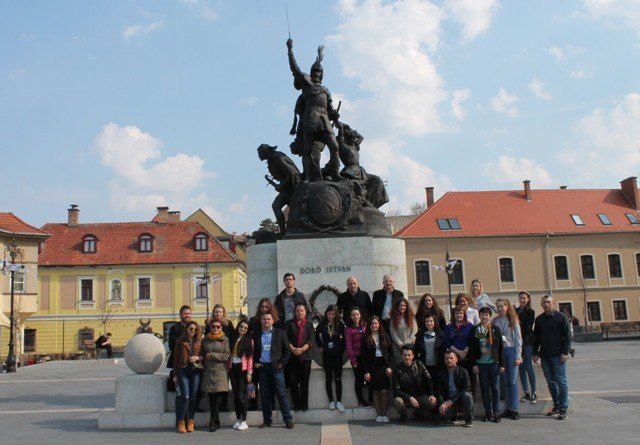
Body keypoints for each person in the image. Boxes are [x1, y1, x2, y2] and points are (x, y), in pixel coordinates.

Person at [286, 38, 341, 182]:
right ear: (311, 72)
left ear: (322, 74)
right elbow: (295, 69)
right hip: (310, 117)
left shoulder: (326, 90)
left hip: (324, 119)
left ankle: (336, 173)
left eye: (319, 71)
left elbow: (330, 109)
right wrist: (290, 50)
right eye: (315, 71)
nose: (317, 73)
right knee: (307, 149)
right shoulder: (306, 83)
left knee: (334, 146)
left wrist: (335, 115)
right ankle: (308, 176)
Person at [252, 312, 294, 429]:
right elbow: (253, 351)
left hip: (276, 368)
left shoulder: (280, 333)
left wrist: (281, 364)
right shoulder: (256, 334)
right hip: (262, 368)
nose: (266, 321)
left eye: (268, 319)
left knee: (281, 394)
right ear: (261, 321)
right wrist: (255, 363)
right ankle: (267, 420)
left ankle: (288, 420)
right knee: (265, 395)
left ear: (272, 321)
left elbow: (287, 351)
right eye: (264, 319)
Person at [533, 295, 572, 420]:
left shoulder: (561, 317)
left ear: (553, 304)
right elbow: (536, 338)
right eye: (544, 302)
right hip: (545, 355)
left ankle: (564, 408)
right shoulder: (539, 320)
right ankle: (557, 405)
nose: (546, 304)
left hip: (558, 355)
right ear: (541, 305)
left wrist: (565, 352)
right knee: (550, 382)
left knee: (561, 381)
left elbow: (567, 336)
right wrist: (535, 353)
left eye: (548, 302)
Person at [469, 306, 505, 423]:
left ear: (490, 316)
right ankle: (487, 411)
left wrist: (502, 364)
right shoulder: (475, 329)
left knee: (495, 388)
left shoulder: (495, 329)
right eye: (482, 314)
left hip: (493, 363)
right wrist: (474, 364)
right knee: (484, 388)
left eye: (487, 315)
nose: (485, 317)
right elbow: (472, 349)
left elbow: (500, 348)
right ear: (479, 316)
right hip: (481, 363)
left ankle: (496, 412)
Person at [257, 144, 302, 234]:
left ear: (265, 152)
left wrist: (282, 185)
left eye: (259, 153)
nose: (259, 156)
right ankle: (283, 231)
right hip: (287, 188)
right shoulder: (272, 159)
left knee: (276, 206)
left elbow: (292, 173)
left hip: (293, 188)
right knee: (280, 207)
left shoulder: (278, 158)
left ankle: (283, 231)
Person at [494, 298, 523, 419]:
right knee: (504, 381)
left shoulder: (512, 320)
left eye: (502, 306)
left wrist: (518, 355)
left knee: (512, 381)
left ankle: (514, 408)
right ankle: (508, 407)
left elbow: (518, 339)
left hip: (511, 351)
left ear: (507, 307)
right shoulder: (495, 321)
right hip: (501, 352)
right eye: (498, 306)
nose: (500, 309)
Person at [393, 345, 437, 423]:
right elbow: (396, 390)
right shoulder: (397, 369)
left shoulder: (419, 364)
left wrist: (432, 394)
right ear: (402, 356)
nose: (407, 357)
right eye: (405, 355)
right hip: (405, 398)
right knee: (397, 401)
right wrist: (410, 397)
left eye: (409, 355)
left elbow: (429, 379)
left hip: (420, 396)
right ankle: (403, 415)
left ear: (413, 356)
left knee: (433, 402)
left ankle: (418, 412)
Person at [361, 316, 393, 423]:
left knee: (384, 391)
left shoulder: (385, 336)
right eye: (372, 324)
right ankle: (379, 414)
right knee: (375, 391)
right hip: (372, 367)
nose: (374, 326)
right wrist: (366, 371)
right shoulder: (366, 338)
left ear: (379, 324)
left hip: (383, 366)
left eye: (376, 323)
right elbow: (363, 357)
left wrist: (389, 367)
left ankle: (385, 414)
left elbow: (391, 353)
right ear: (369, 326)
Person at [173, 321, 203, 434]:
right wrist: (175, 375)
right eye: (191, 329)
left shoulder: (199, 341)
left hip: (195, 371)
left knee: (193, 397)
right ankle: (181, 422)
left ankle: (190, 422)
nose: (193, 331)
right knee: (185, 396)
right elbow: (175, 358)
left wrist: (197, 357)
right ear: (187, 329)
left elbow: (203, 356)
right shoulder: (180, 341)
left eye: (195, 329)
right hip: (183, 370)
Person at [201, 319, 230, 432]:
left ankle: (212, 421)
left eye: (218, 326)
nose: (216, 328)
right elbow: (202, 354)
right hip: (208, 371)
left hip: (220, 371)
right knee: (212, 397)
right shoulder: (205, 340)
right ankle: (216, 421)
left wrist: (212, 355)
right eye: (213, 326)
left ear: (221, 328)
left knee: (217, 397)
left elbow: (226, 356)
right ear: (210, 327)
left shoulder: (225, 339)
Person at [315, 304, 346, 411]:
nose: (331, 316)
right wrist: (320, 346)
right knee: (329, 379)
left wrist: (341, 350)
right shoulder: (322, 324)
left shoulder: (340, 324)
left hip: (337, 355)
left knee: (338, 379)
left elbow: (345, 339)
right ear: (326, 314)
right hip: (327, 355)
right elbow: (316, 335)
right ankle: (331, 402)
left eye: (333, 314)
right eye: (329, 314)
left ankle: (340, 402)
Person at [285, 303, 314, 411]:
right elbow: (285, 339)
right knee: (293, 382)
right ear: (294, 312)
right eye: (297, 311)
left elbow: (311, 340)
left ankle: (304, 405)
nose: (300, 313)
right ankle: (296, 405)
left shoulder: (309, 324)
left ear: (305, 312)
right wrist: (293, 349)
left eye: (302, 311)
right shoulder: (289, 324)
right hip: (292, 358)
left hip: (305, 357)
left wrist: (302, 349)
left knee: (304, 383)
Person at [435, 350, 473, 427]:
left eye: (451, 358)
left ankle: (468, 420)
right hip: (447, 400)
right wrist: (442, 404)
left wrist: (452, 400)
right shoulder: (441, 373)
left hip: (459, 399)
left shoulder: (463, 371)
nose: (449, 360)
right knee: (442, 414)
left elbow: (466, 388)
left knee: (468, 396)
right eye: (446, 358)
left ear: (456, 359)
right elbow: (438, 391)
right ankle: (454, 416)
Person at [229, 318, 253, 430]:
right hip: (232, 368)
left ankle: (244, 420)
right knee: (235, 395)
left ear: (247, 330)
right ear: (238, 327)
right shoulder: (233, 338)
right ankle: (238, 419)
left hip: (242, 370)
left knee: (241, 395)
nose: (242, 329)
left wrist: (249, 372)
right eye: (241, 327)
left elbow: (250, 358)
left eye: (245, 328)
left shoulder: (249, 341)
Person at [345, 307, 370, 408]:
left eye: (357, 314)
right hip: (356, 357)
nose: (356, 316)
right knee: (359, 379)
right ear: (350, 317)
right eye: (353, 315)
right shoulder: (349, 329)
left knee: (369, 378)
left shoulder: (365, 326)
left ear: (360, 315)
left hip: (367, 357)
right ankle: (360, 400)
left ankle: (371, 399)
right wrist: (353, 360)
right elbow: (348, 345)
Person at [517, 291, 537, 404]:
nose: (522, 300)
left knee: (528, 365)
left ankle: (534, 391)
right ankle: (526, 392)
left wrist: (518, 331)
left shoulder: (530, 312)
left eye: (524, 298)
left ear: (528, 299)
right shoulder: (516, 311)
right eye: (520, 298)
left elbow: (529, 327)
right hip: (518, 342)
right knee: (521, 366)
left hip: (527, 341)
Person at [389, 298, 418, 367]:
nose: (402, 307)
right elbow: (393, 333)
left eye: (404, 305)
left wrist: (406, 344)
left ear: (407, 307)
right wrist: (400, 344)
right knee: (399, 366)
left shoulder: (411, 317)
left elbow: (414, 332)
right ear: (397, 306)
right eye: (400, 305)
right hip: (397, 347)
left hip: (409, 347)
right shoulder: (393, 318)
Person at [167, 305, 192, 370]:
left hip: (192, 361)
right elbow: (171, 346)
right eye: (185, 314)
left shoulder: (194, 327)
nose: (187, 316)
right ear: (180, 315)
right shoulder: (175, 328)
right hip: (179, 361)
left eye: (189, 314)